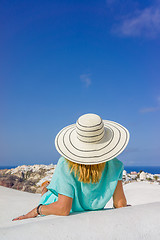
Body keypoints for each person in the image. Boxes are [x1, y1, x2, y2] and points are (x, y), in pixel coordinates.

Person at [12, 113, 130, 221]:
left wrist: (37, 210)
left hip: (54, 204)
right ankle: (47, 187)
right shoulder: (116, 165)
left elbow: (63, 209)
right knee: (49, 188)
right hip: (85, 207)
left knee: (48, 193)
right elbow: (120, 204)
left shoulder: (66, 164)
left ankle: (46, 188)